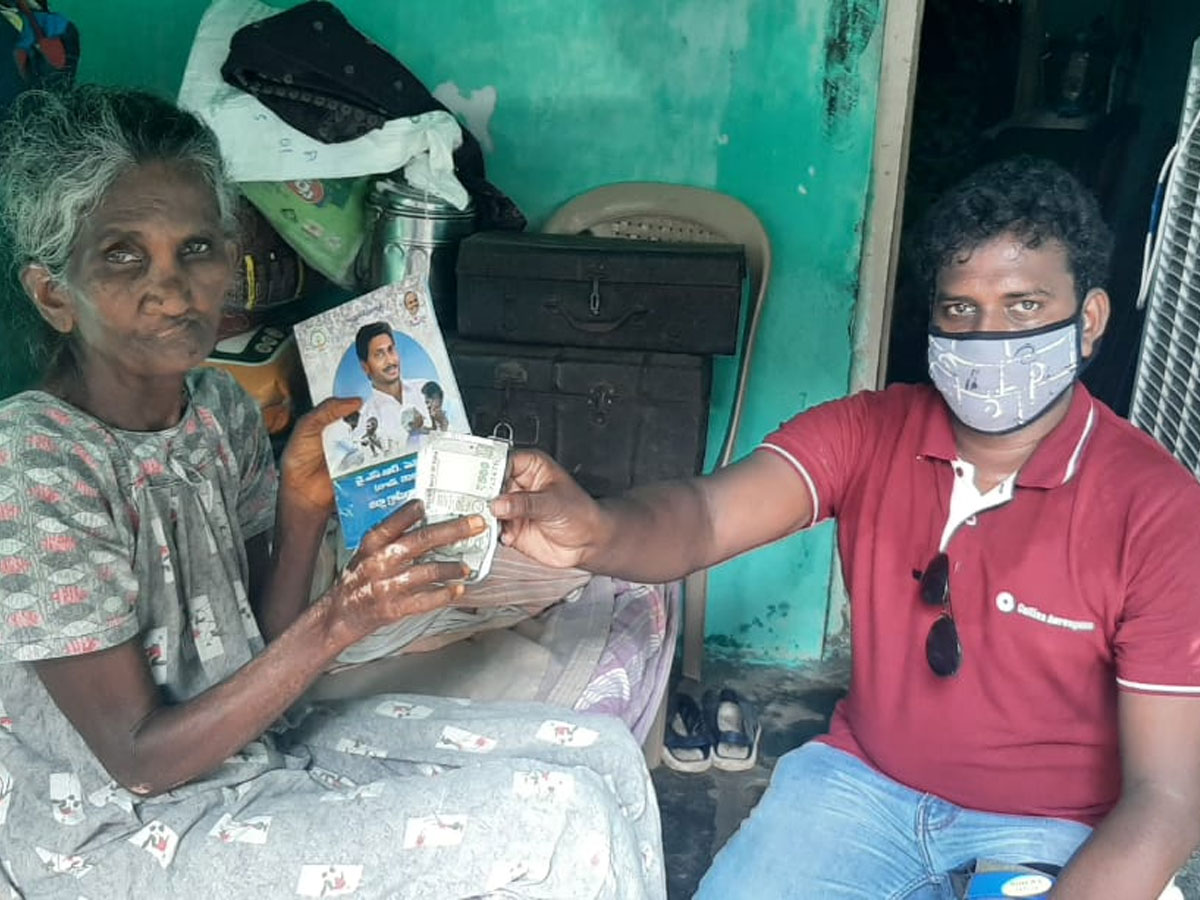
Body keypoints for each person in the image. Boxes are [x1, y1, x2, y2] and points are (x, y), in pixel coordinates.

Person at [0, 86, 664, 899]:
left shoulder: (216, 411)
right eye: (123, 256)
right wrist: (345, 614)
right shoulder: (35, 461)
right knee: (559, 818)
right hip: (117, 834)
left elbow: (254, 647)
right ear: (53, 295)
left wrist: (303, 505)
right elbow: (138, 759)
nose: (173, 290)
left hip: (243, 750)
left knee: (600, 755)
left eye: (197, 249)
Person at [491, 157, 1200, 899]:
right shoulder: (870, 431)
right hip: (860, 790)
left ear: (1088, 320)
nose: (987, 337)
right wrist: (598, 532)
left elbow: (1170, 798)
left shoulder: (1157, 511)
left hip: (1048, 828)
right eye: (960, 310)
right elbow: (703, 517)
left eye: (1023, 307)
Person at [353, 321, 429, 453]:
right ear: (365, 367)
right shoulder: (365, 421)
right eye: (379, 354)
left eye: (391, 350)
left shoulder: (426, 389)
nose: (390, 361)